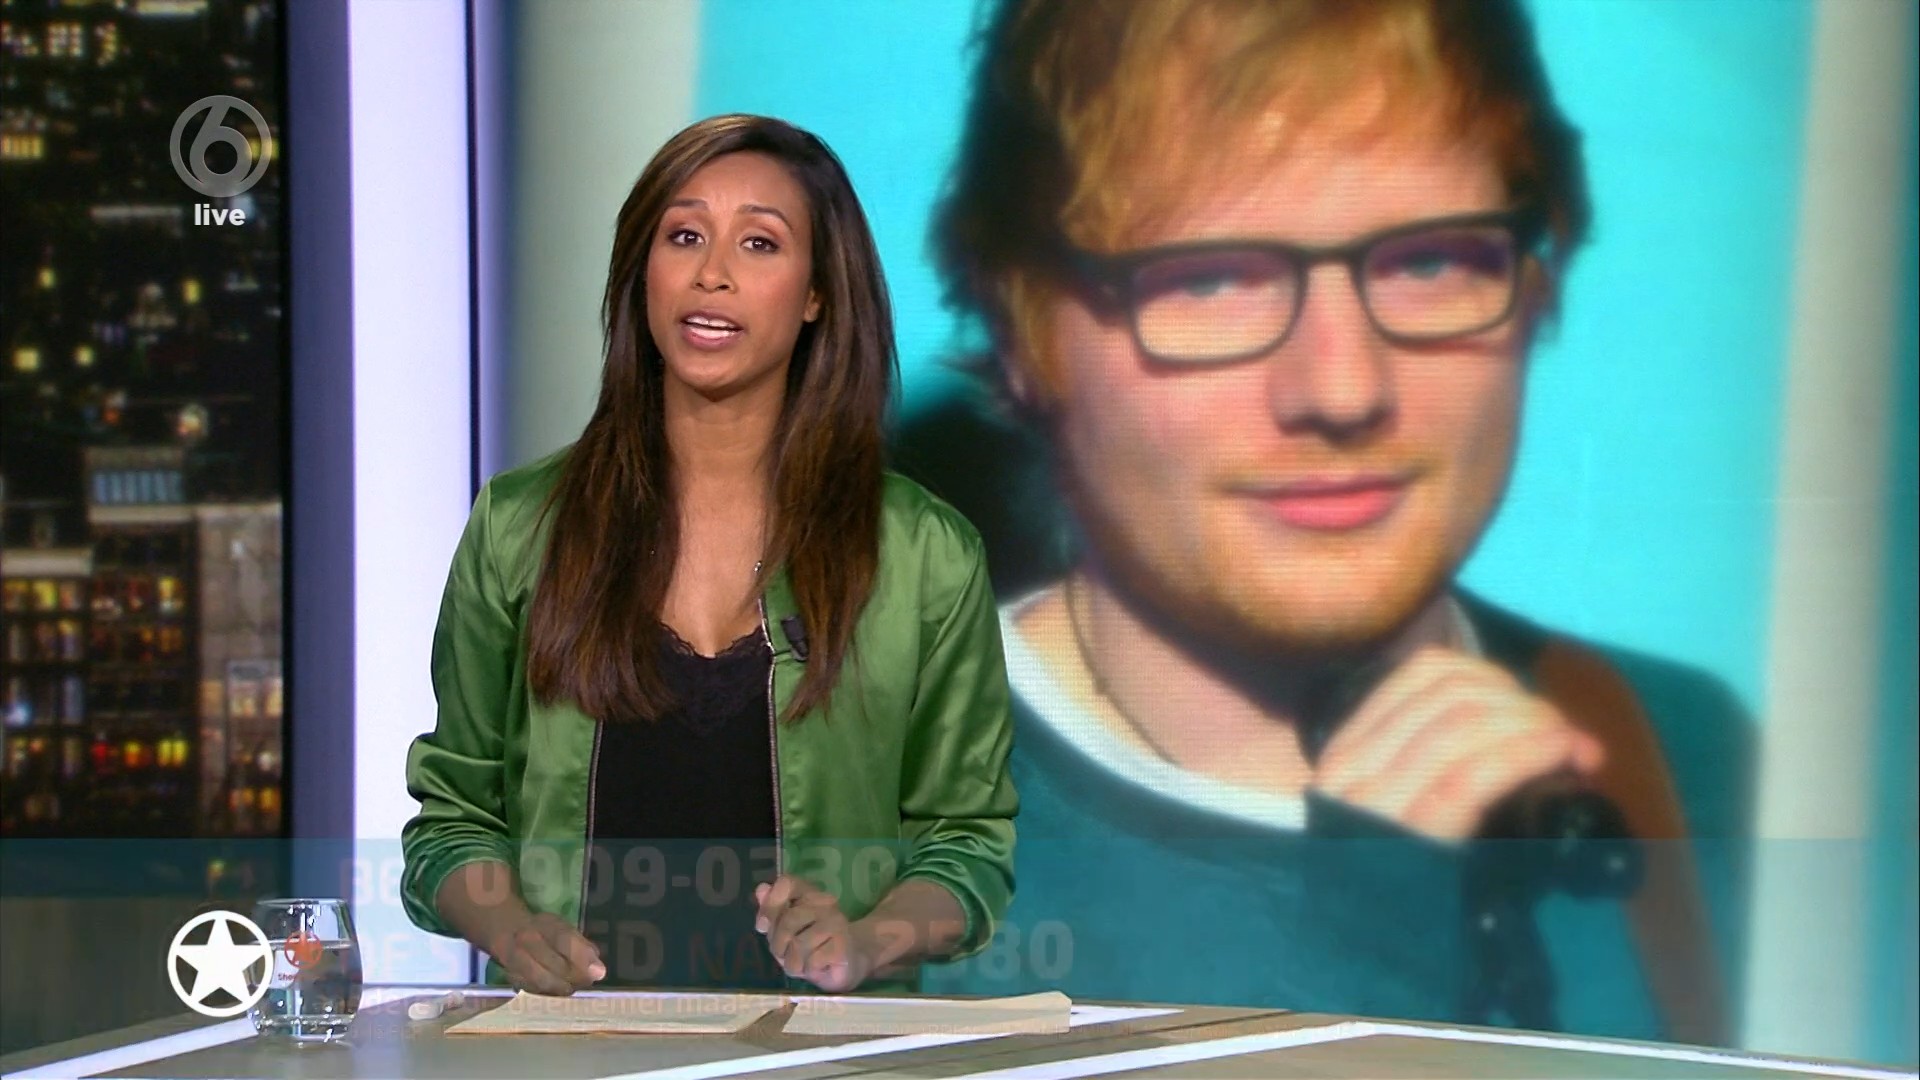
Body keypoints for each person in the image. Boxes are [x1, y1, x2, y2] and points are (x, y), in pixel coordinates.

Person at [910, 0, 1752, 1044]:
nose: (1343, 389)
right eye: (1212, 279)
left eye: (1429, 262)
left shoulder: (1684, 757)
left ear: (1535, 282)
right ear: (1020, 327)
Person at [401, 114, 1018, 996]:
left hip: (818, 1052)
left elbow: (968, 844)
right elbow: (455, 819)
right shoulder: (519, 526)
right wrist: (510, 927)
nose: (712, 274)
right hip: (575, 1045)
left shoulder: (924, 554)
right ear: (641, 274)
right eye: (684, 236)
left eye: (759, 243)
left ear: (817, 293)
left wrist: (866, 940)